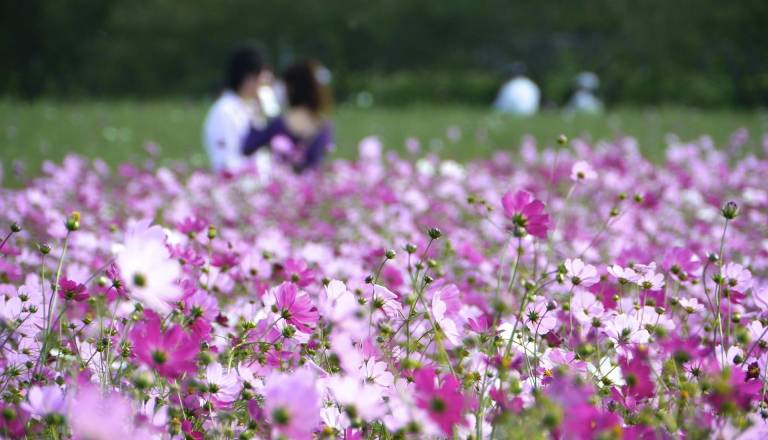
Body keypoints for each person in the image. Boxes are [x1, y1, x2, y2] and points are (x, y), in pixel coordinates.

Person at [241, 60, 333, 172]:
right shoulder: (324, 126)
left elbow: (248, 147)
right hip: (314, 187)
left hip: (283, 187)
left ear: (291, 88)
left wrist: (256, 112)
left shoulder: (280, 124)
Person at [203, 44, 273, 172]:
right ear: (249, 78)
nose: (267, 81)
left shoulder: (252, 109)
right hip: (238, 188)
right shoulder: (224, 111)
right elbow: (225, 163)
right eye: (263, 74)